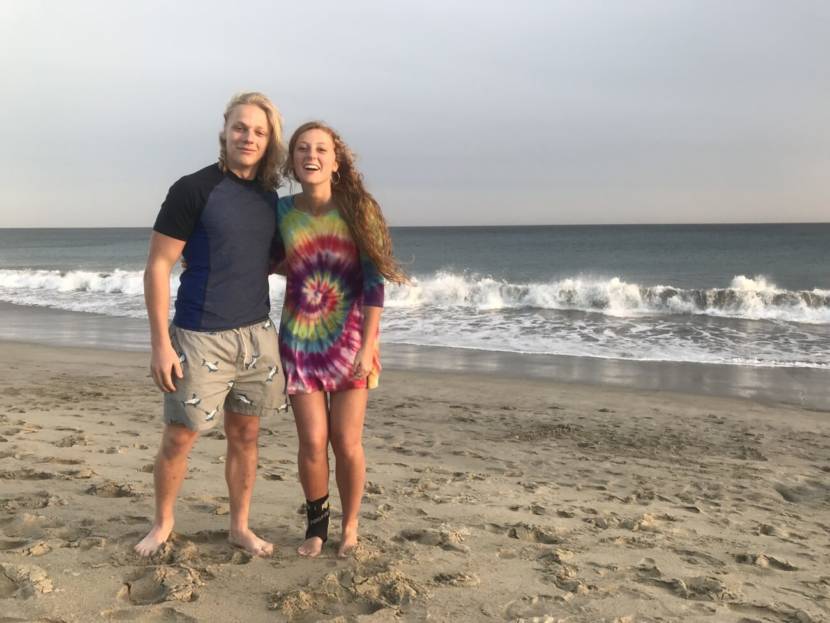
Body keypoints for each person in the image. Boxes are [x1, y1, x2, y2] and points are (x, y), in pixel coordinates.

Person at [135, 92, 287, 558]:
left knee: (246, 435)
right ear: (225, 130)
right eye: (241, 127)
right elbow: (158, 266)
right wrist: (161, 344)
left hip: (257, 335)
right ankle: (163, 523)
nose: (248, 137)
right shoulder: (193, 189)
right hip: (199, 336)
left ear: (269, 141)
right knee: (181, 435)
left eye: (259, 132)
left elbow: (267, 260)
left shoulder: (268, 198)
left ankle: (239, 527)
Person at [274, 121, 407, 558]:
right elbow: (264, 257)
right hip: (300, 340)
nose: (311, 156)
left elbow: (374, 283)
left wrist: (368, 346)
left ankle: (350, 526)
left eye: (321, 149)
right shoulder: (280, 211)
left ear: (336, 161)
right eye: (302, 149)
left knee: (345, 442)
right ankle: (317, 528)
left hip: (350, 341)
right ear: (292, 161)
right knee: (312, 442)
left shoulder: (357, 209)